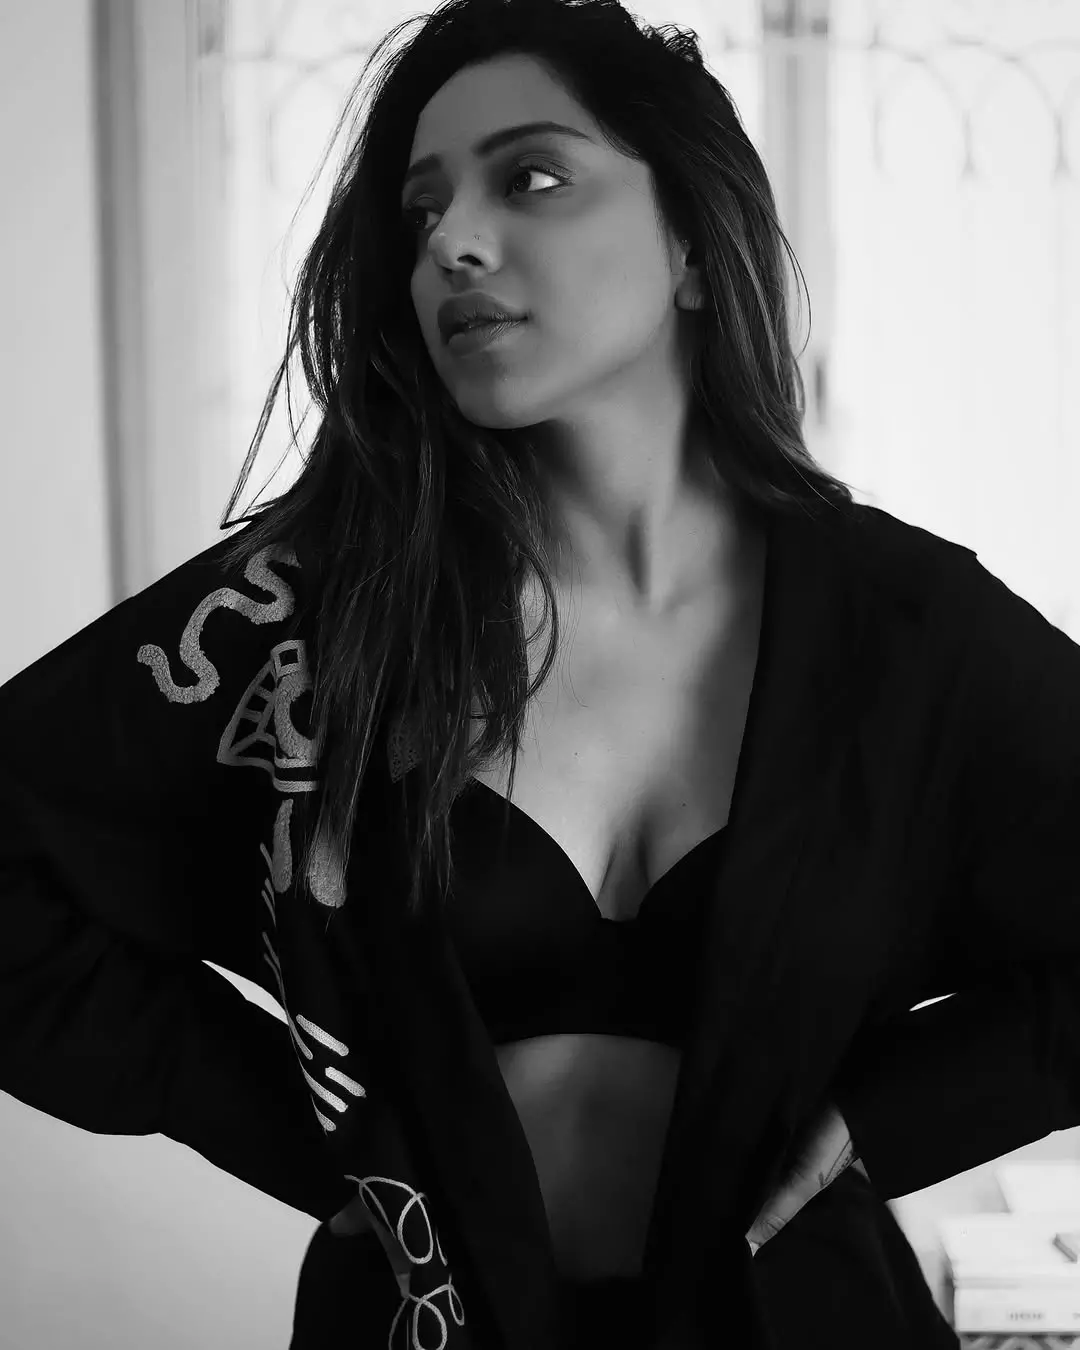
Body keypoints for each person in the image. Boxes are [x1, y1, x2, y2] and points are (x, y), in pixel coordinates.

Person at [2, 1, 1078, 1346]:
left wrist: (890, 1114)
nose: (451, 241)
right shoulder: (321, 605)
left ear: (693, 244)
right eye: (422, 209)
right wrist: (307, 1132)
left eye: (533, 177)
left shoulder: (909, 628)